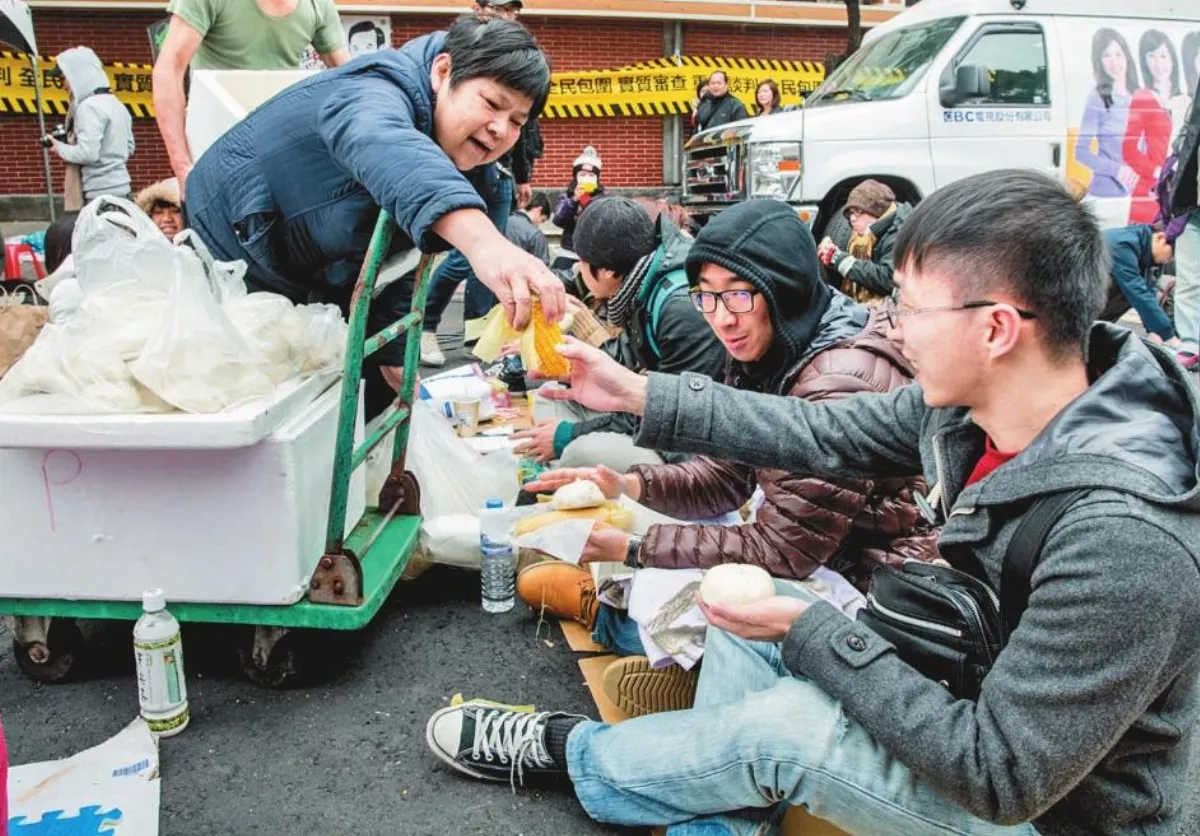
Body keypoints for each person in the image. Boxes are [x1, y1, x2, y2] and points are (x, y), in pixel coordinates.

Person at [425, 169, 1200, 836]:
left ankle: (572, 754)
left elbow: (1000, 774)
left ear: (997, 328)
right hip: (955, 665)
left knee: (784, 723)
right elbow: (809, 432)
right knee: (750, 617)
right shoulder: (974, 403)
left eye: (908, 308)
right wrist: (637, 393)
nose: (891, 328)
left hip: (1046, 811)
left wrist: (811, 629)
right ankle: (715, 804)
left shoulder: (1124, 539)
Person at [516, 200, 936, 715]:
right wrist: (626, 486)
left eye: (737, 296)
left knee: (710, 605)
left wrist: (632, 546)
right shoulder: (774, 348)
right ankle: (671, 650)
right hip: (814, 547)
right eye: (706, 298)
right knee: (670, 558)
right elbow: (728, 472)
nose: (720, 319)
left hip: (865, 581)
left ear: (784, 287)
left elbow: (782, 551)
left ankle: (625, 629)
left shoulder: (837, 379)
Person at [184, 16, 565, 420]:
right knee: (264, 413)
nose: (499, 129)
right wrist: (487, 245)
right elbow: (382, 142)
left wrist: (394, 350)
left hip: (322, 269)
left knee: (374, 400)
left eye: (517, 122)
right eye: (491, 104)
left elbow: (401, 253)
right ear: (443, 71)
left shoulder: (461, 150)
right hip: (233, 254)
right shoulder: (376, 89)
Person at [513, 197, 726, 470]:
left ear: (606, 271)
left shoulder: (681, 308)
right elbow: (624, 360)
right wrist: (568, 357)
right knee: (550, 393)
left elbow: (674, 412)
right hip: (654, 416)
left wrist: (568, 436)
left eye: (582, 262)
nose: (577, 271)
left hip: (694, 455)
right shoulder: (645, 281)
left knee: (580, 452)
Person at [417, 0, 544, 368]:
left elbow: (525, 125)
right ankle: (426, 323)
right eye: (497, 6)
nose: (505, 14)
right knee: (465, 255)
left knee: (491, 258)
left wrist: (522, 176)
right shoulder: (460, 45)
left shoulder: (523, 54)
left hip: (501, 172)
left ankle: (478, 330)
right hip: (463, 168)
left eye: (511, 9)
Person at [152, 0, 351, 191]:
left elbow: (351, 80)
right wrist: (183, 168)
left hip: (281, 151)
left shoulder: (318, 5)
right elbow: (168, 71)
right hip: (215, 149)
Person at [45, 47, 135, 205]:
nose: (62, 85)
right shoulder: (116, 103)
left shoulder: (88, 107)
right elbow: (130, 146)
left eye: (63, 78)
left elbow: (88, 154)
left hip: (99, 193)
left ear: (77, 75)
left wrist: (58, 147)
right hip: (123, 188)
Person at [1124, 30, 1183, 223]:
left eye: (1163, 55)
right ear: (1144, 61)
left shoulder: (1185, 99)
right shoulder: (1143, 97)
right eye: (1151, 56)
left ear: (1173, 59)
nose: (1158, 64)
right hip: (1152, 191)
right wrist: (1157, 171)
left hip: (1181, 188)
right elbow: (1128, 149)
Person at [818, 178, 910, 301]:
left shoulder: (898, 234)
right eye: (850, 213)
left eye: (859, 212)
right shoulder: (876, 228)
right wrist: (831, 258)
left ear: (878, 212)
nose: (852, 219)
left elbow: (889, 280)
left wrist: (841, 260)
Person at [1075, 28, 1138, 198]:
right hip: (1108, 193)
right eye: (1106, 55)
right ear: (1099, 61)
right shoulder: (1098, 98)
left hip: (1141, 194)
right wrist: (1116, 170)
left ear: (1127, 56)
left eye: (1118, 54)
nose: (1114, 62)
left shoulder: (1140, 96)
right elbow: (1081, 152)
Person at [1103, 222, 1178, 345]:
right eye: (1173, 254)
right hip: (1070, 299)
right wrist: (1167, 335)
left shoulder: (1146, 253)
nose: (1171, 260)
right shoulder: (1122, 244)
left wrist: (1153, 330)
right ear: (1161, 238)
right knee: (1130, 289)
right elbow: (1137, 291)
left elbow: (1148, 292)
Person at [551, 146, 605, 265]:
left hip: (594, 254)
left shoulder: (603, 199)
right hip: (569, 251)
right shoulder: (566, 197)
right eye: (582, 174)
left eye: (591, 176)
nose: (586, 178)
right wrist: (574, 199)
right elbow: (558, 220)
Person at [506, 190, 551, 264]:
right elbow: (542, 270)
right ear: (539, 210)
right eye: (542, 220)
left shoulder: (500, 221)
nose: (539, 224)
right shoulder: (535, 235)